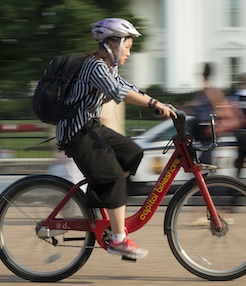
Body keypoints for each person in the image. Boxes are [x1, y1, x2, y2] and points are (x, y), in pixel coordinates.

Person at [56, 18, 176, 260]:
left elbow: (126, 85)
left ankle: (105, 199)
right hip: (77, 132)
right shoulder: (95, 66)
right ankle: (119, 239)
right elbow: (117, 91)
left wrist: (159, 103)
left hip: (91, 127)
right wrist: (154, 103)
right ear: (114, 44)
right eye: (128, 47)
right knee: (113, 178)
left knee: (132, 152)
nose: (129, 53)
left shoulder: (108, 68)